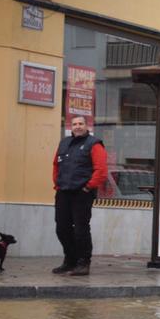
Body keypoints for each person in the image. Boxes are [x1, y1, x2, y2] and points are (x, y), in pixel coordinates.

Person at [53, 115, 107, 277]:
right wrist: (57, 184)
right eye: (74, 124)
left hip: (82, 193)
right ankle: (70, 260)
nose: (77, 126)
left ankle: (83, 263)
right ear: (71, 126)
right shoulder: (64, 143)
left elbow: (101, 170)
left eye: (80, 124)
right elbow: (56, 165)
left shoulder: (94, 144)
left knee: (81, 229)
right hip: (63, 192)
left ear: (86, 125)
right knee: (62, 228)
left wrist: (88, 187)